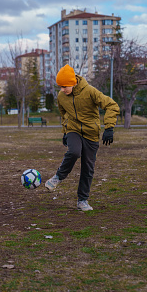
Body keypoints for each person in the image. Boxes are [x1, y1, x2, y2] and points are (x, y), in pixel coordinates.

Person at [45, 64, 120, 211]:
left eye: (64, 86)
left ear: (73, 82)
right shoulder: (62, 96)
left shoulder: (90, 91)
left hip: (91, 133)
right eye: (60, 86)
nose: (62, 90)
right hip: (74, 130)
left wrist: (109, 127)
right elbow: (64, 115)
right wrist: (65, 132)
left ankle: (82, 200)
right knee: (73, 152)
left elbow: (112, 105)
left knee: (88, 168)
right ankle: (58, 177)